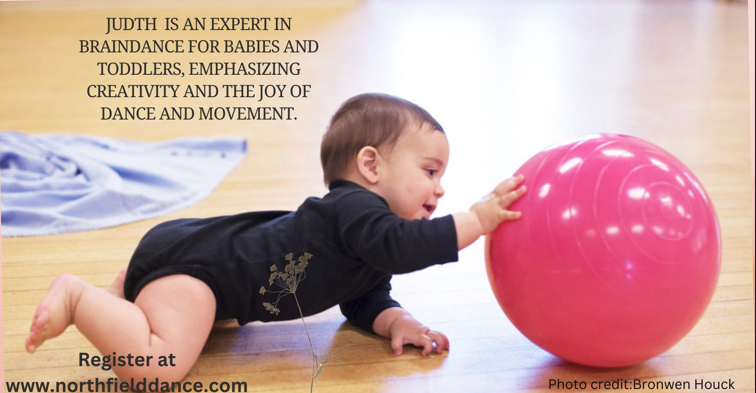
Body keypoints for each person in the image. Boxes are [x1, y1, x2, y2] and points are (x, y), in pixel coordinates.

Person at [26, 93, 526, 383]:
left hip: (200, 266)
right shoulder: (355, 209)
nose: (440, 188)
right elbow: (406, 247)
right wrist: (478, 219)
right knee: (157, 367)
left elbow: (363, 298)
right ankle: (79, 296)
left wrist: (400, 322)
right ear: (370, 165)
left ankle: (123, 294)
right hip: (201, 273)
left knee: (198, 327)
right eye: (430, 170)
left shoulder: (366, 239)